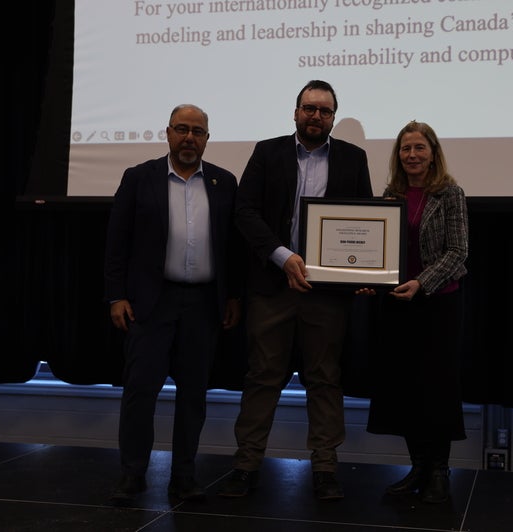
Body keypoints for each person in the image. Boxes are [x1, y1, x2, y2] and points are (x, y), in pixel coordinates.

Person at [217, 80, 373, 501]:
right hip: (273, 284)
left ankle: (324, 468)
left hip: (327, 291)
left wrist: (364, 269)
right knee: (263, 376)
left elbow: (364, 219)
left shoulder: (353, 158)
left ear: (333, 117)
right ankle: (246, 464)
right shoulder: (268, 152)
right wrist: (282, 256)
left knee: (325, 378)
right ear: (295, 112)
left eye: (324, 110)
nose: (315, 116)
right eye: (309, 108)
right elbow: (244, 211)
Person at [103, 104, 243, 502]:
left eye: (197, 132)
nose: (189, 138)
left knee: (193, 395)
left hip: (203, 305)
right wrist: (116, 295)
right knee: (140, 391)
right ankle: (132, 473)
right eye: (181, 129)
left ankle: (184, 475)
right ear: (167, 133)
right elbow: (117, 243)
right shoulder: (139, 178)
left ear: (207, 139)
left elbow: (232, 250)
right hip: (150, 303)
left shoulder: (224, 182)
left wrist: (232, 295)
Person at [365, 121, 469, 504]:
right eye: (406, 149)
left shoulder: (450, 194)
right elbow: (379, 253)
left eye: (419, 148)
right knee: (405, 388)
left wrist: (423, 283)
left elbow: (458, 253)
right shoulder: (390, 195)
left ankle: (440, 472)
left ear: (433, 152)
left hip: (438, 304)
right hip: (397, 306)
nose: (412, 155)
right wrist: (365, 279)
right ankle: (418, 467)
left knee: (436, 389)